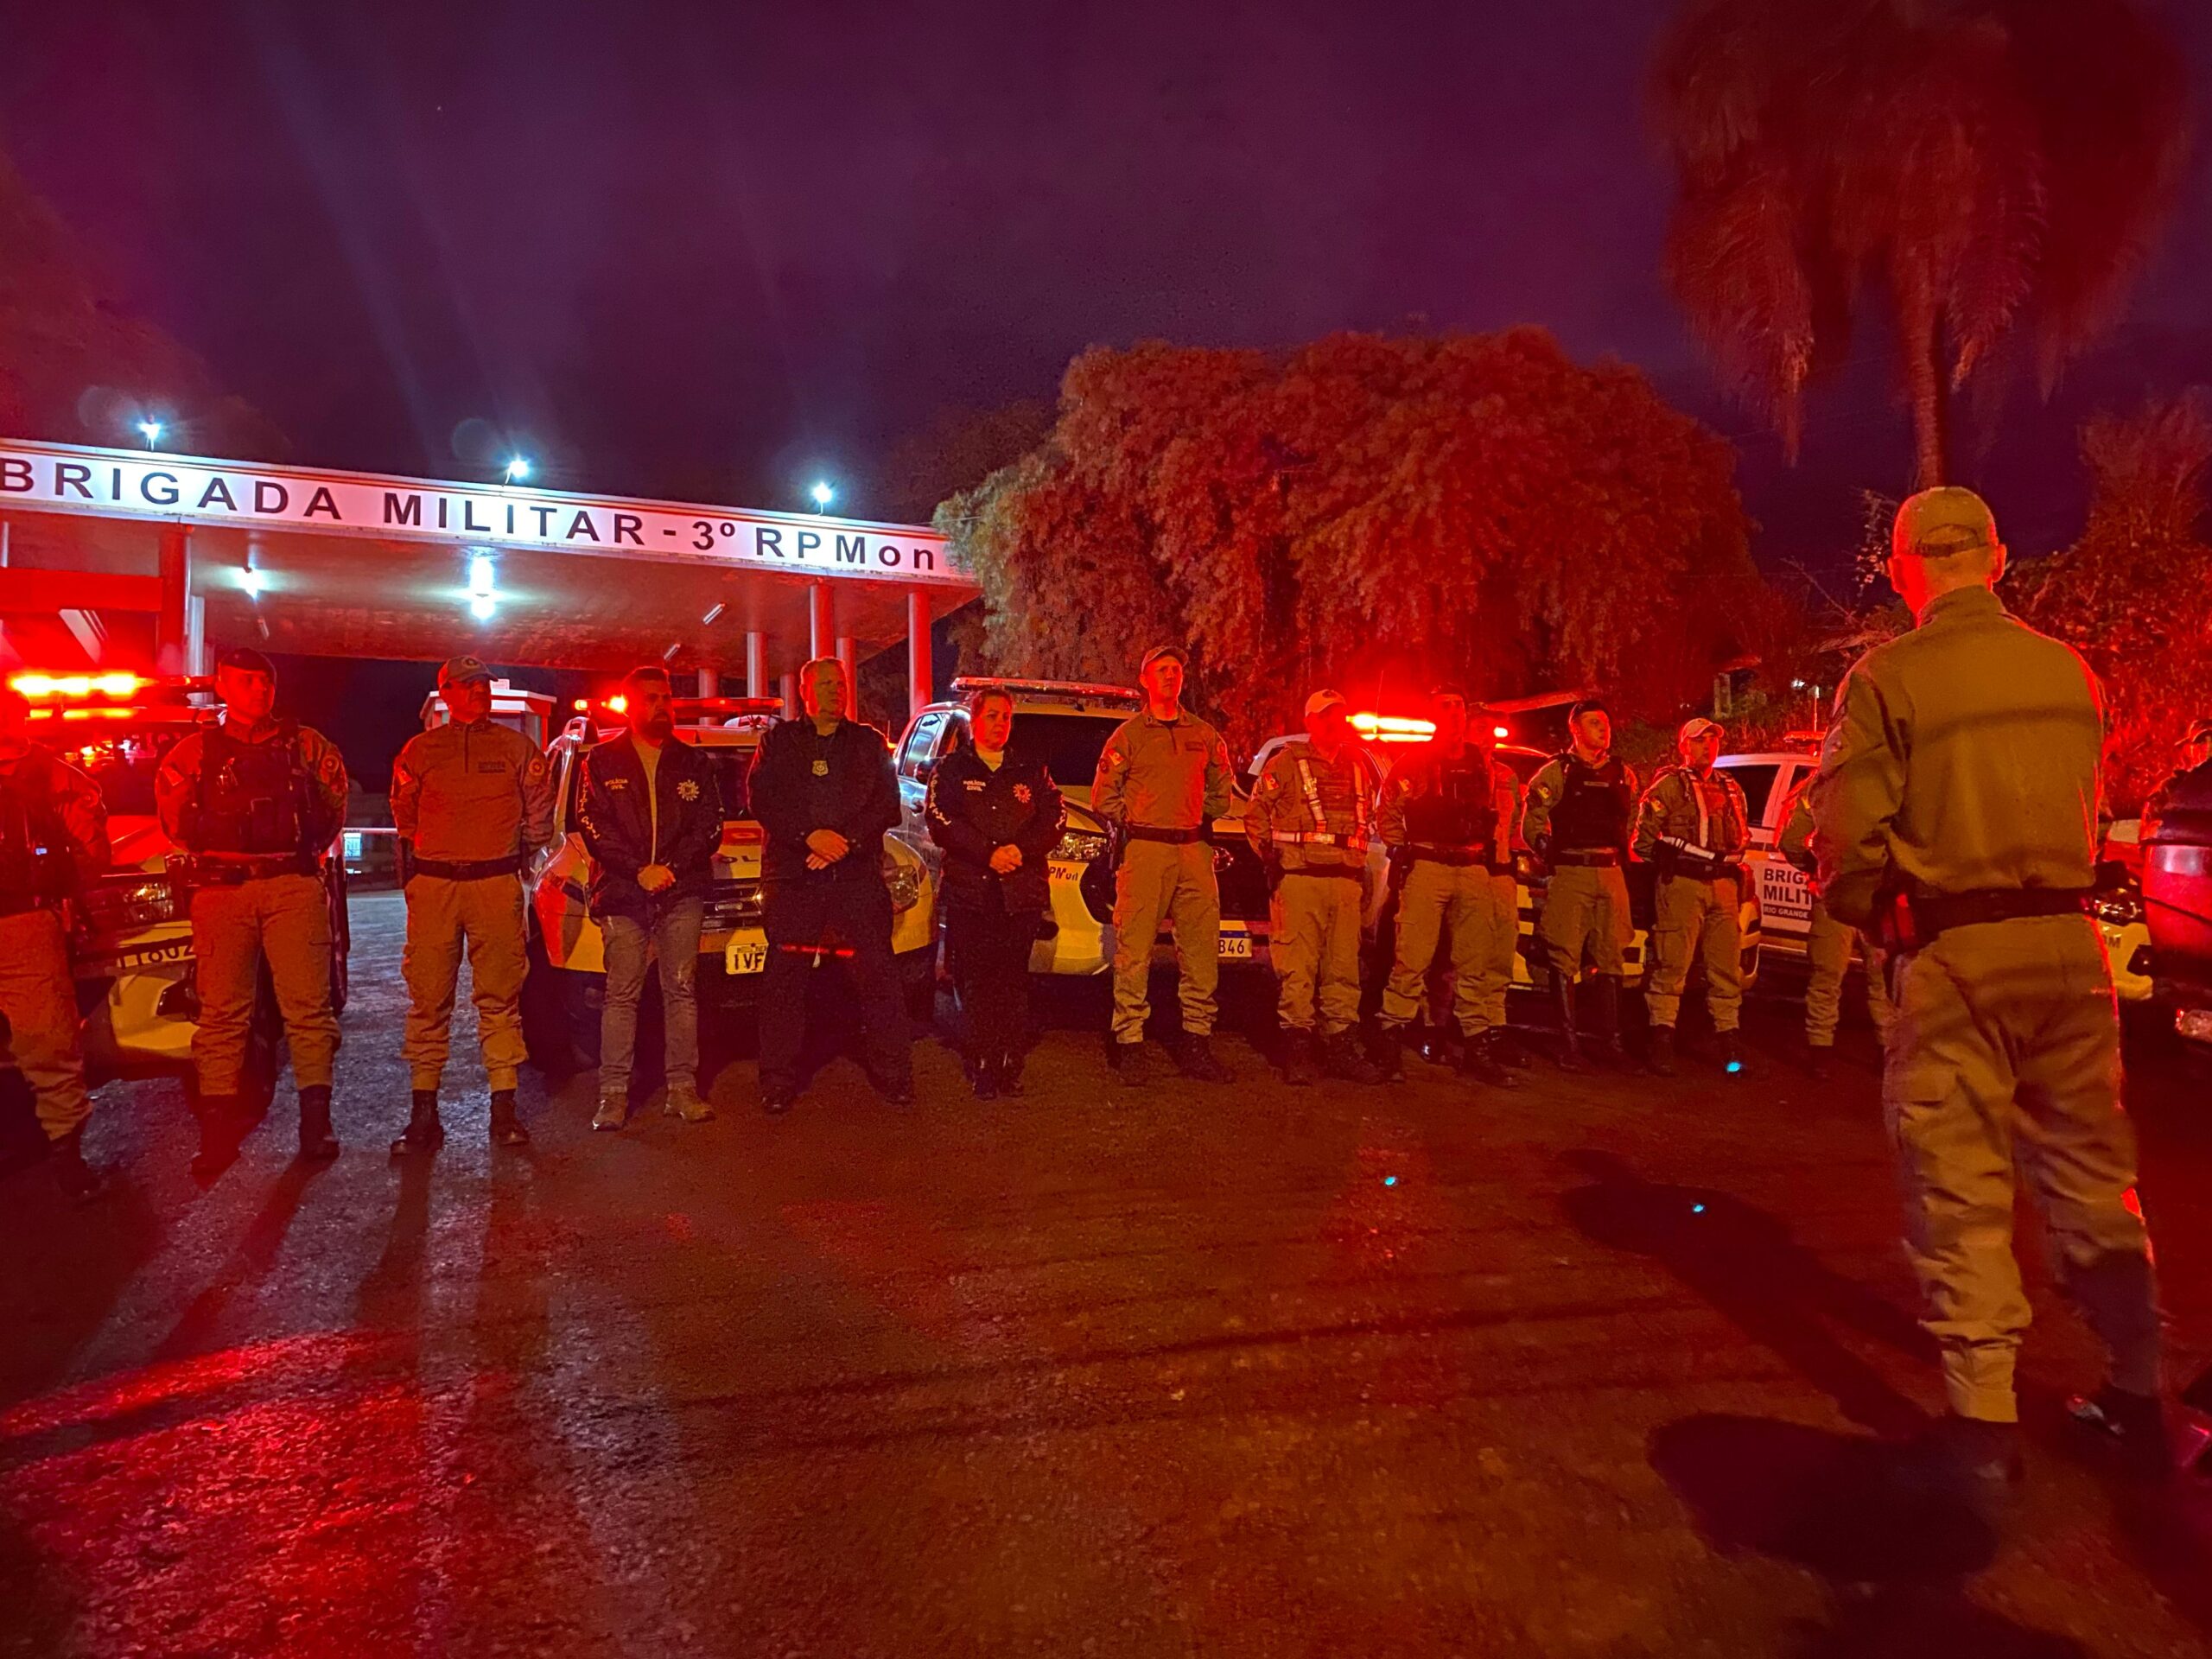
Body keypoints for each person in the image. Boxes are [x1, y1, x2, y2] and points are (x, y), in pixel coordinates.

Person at [1811, 485, 2168, 1496]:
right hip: (2067, 951)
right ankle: (2138, 1393)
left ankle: (1982, 1428)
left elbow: (1846, 844)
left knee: (1960, 1184)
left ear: (1901, 569)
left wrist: (1872, 910)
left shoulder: (1889, 678)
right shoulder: (2071, 675)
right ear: (2000, 558)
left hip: (1955, 958)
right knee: (2094, 1176)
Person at [156, 646, 347, 1176]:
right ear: (223, 685)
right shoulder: (194, 752)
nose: (259, 691)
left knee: (308, 1011)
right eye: (246, 681)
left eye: (265, 681)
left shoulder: (306, 746)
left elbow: (333, 808)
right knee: (221, 1015)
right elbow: (174, 822)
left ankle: (316, 1124)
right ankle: (218, 1131)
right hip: (222, 892)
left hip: (291, 885)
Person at [388, 655, 556, 1153]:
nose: (478, 692)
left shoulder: (516, 749)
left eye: (482, 684)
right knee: (428, 1000)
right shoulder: (420, 751)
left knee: (501, 999)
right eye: (467, 686)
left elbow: (539, 813)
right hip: (437, 887)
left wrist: (517, 855)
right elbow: (404, 814)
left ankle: (504, 1109)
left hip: (495, 883)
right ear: (447, 693)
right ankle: (424, 1114)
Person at [747, 657, 910, 1114]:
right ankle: (778, 1080)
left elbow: (887, 805)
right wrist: (807, 838)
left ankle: (894, 1074)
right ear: (806, 692)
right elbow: (763, 800)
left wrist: (847, 843)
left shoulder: (868, 744)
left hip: (855, 878)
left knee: (880, 980)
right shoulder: (777, 743)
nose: (838, 691)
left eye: (841, 684)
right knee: (785, 984)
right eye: (827, 684)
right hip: (796, 879)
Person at [576, 665, 724, 1130]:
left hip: (681, 892)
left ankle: (682, 1089)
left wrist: (671, 870)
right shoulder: (600, 762)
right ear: (631, 704)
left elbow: (709, 826)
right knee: (622, 995)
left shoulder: (694, 763)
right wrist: (639, 871)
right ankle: (613, 1095)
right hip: (624, 893)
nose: (662, 706)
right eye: (651, 699)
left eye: (666, 698)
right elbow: (594, 825)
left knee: (681, 991)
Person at [1091, 645, 1236, 1086]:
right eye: (1161, 670)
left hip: (1193, 849)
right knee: (1134, 950)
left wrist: (1194, 816)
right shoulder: (1130, 736)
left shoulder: (1205, 735)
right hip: (1147, 851)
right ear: (1146, 681)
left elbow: (1221, 791)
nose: (1170, 677)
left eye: (1175, 670)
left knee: (1200, 950)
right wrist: (1137, 820)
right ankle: (1130, 1040)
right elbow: (1103, 796)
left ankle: (1196, 1040)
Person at [1374, 685, 1525, 1087]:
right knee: (1412, 958)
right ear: (1434, 715)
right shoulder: (1414, 762)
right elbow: (1387, 809)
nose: (1456, 712)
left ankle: (1477, 1046)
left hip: (1473, 867)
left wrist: (1492, 856)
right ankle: (1390, 1038)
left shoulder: (1485, 765)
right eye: (1447, 706)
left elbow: (1497, 813)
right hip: (1429, 865)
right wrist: (1399, 849)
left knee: (1474, 962)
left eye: (1460, 705)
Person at [925, 686, 1065, 1098]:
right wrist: (988, 854)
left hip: (1019, 892)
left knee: (1011, 981)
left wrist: (1019, 851)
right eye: (992, 716)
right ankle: (981, 1062)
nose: (1000, 724)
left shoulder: (1031, 769)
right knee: (977, 981)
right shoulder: (951, 769)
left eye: (1006, 717)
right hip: (972, 892)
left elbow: (1055, 818)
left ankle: (1008, 1061)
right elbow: (940, 821)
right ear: (975, 718)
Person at [0, 686, 111, 1203]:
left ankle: (67, 1155)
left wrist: (65, 902)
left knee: (48, 1042)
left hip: (26, 922)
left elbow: (90, 848)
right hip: (26, 922)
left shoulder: (54, 777)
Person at [1246, 690, 1383, 1085]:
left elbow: (1370, 816)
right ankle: (1298, 1047)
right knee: (1298, 969)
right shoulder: (1286, 763)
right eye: (1325, 717)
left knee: (1344, 969)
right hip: (1300, 880)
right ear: (1310, 721)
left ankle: (1340, 1044)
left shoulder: (1357, 764)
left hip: (1345, 882)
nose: (1333, 723)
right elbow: (1256, 816)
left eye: (1339, 715)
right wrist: (1271, 860)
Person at [1522, 699, 1637, 1071]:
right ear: (1575, 730)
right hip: (1572, 870)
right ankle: (1567, 1044)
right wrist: (1546, 849)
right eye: (1593, 723)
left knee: (1612, 955)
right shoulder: (1556, 772)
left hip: (1611, 871)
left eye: (1605, 722)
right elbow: (1532, 822)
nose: (1603, 729)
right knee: (1563, 954)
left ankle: (1611, 1043)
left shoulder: (1623, 773)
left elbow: (1631, 820)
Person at [1634, 717, 1751, 1077]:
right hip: (1683, 885)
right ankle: (1662, 1040)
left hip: (1724, 887)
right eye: (1700, 741)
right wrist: (1667, 862)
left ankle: (1729, 1041)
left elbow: (1740, 834)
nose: (1708, 747)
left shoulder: (1731, 787)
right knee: (1672, 965)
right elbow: (1643, 841)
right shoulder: (1669, 786)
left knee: (1725, 968)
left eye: (1713, 741)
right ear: (1684, 745)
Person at [1775, 774, 1892, 1077]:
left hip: (1836, 892)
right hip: (1876, 894)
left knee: (1827, 976)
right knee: (1882, 978)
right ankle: (1887, 1052)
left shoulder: (1818, 784)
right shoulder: (1885, 775)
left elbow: (1790, 840)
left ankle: (1821, 1053)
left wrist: (1815, 871)